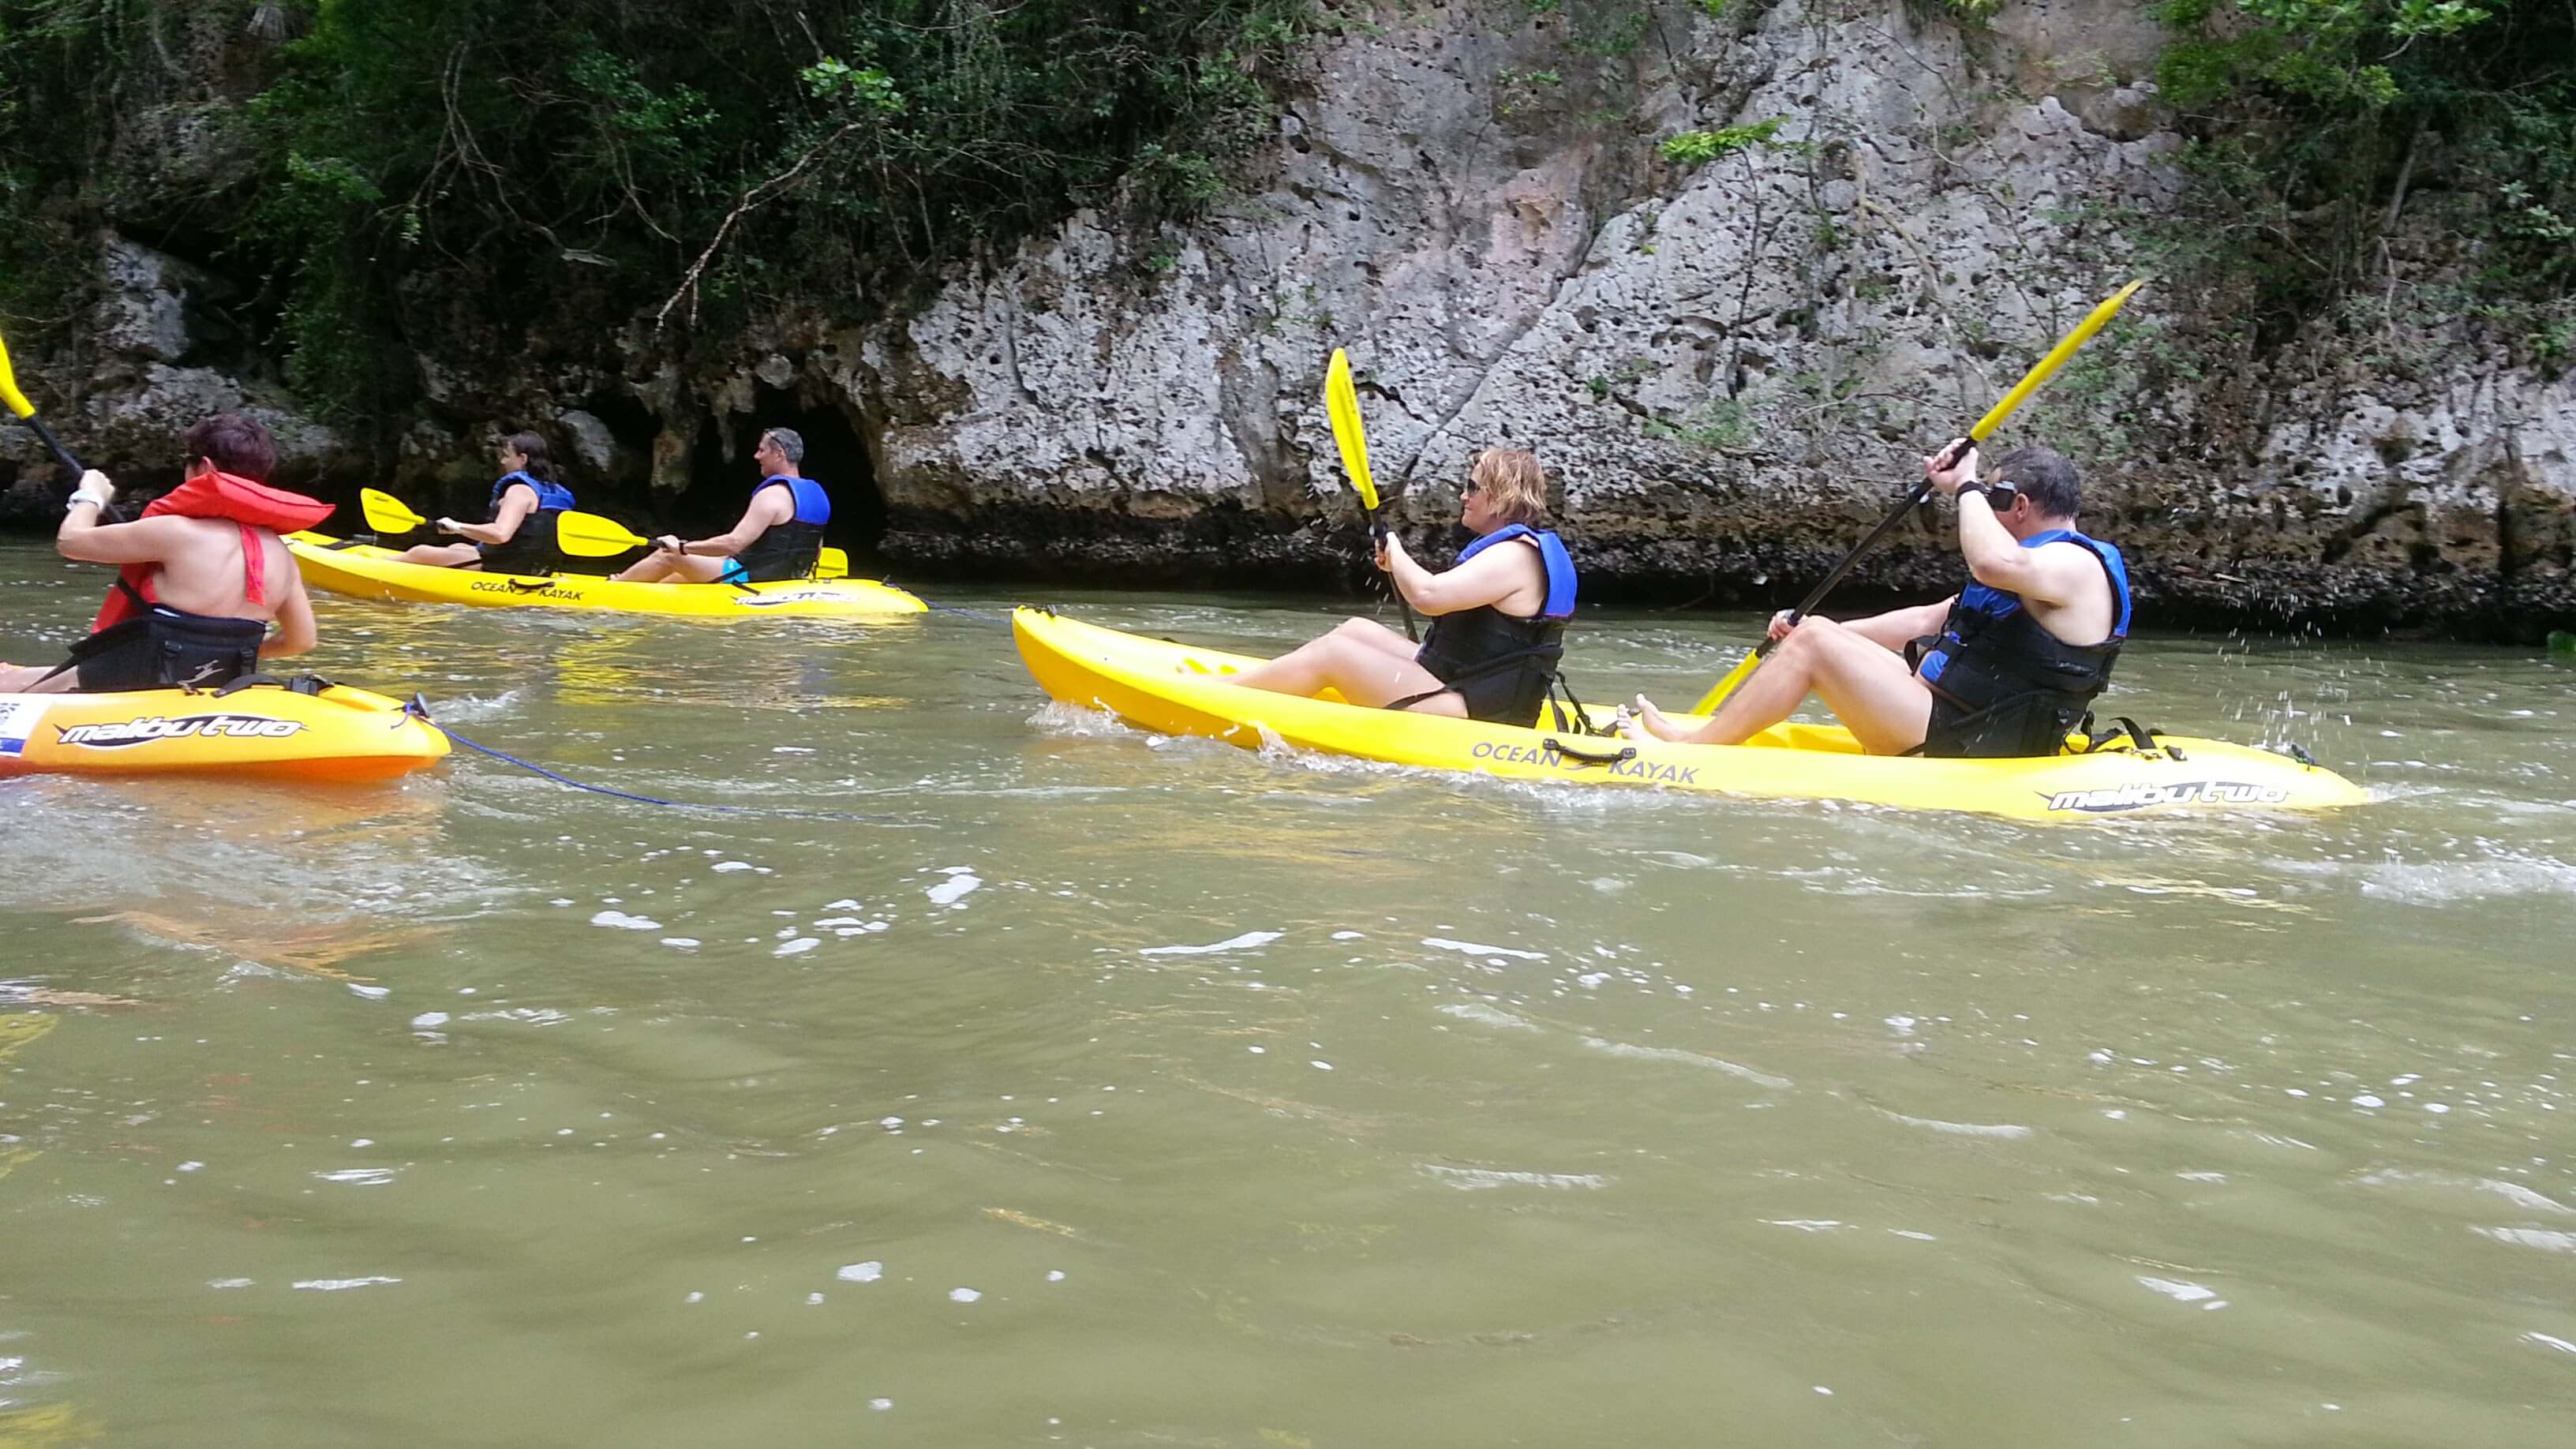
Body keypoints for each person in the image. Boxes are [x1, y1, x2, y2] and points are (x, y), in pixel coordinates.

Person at [1623, 440, 2130, 757]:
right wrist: (1816, 631)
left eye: (1992, 501)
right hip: (1957, 721)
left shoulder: (2074, 566)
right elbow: (1931, 619)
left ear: (2017, 505)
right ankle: (1710, 732)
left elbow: (1990, 562)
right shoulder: (2038, 569)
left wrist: (1968, 486)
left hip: (1971, 738)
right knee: (1818, 637)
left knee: (1817, 645)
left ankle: (1694, 751)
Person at [1229, 447, 1578, 723]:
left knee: (1334, 655)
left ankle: (1223, 695)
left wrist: (1395, 551)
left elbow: (1428, 597)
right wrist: (1397, 565)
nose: (1462, 496)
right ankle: (1256, 681)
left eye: (1472, 487)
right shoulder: (1519, 550)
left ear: (1502, 496)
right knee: (1356, 629)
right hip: (1468, 684)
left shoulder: (1513, 557)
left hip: (1474, 711)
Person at [0, 414, 324, 695]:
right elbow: (301, 641)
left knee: (8, 681)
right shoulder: (282, 555)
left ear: (204, 467)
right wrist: (219, 657)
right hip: (224, 682)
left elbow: (70, 542)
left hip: (134, 676)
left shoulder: (176, 532)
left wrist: (91, 495)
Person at [612, 427, 829, 584]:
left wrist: (681, 547)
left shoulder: (772, 494)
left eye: (762, 451)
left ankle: (616, 587)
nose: (756, 456)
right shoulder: (818, 496)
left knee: (667, 556)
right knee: (675, 579)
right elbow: (816, 552)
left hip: (749, 578)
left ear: (779, 454)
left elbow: (734, 543)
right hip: (786, 578)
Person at [396, 431, 575, 573]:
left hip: (507, 567)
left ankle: (375, 568)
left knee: (420, 552)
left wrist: (457, 527)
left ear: (523, 459)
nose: (502, 461)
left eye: (506, 455)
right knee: (457, 546)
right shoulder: (553, 491)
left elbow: (500, 534)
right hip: (536, 568)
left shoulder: (519, 491)